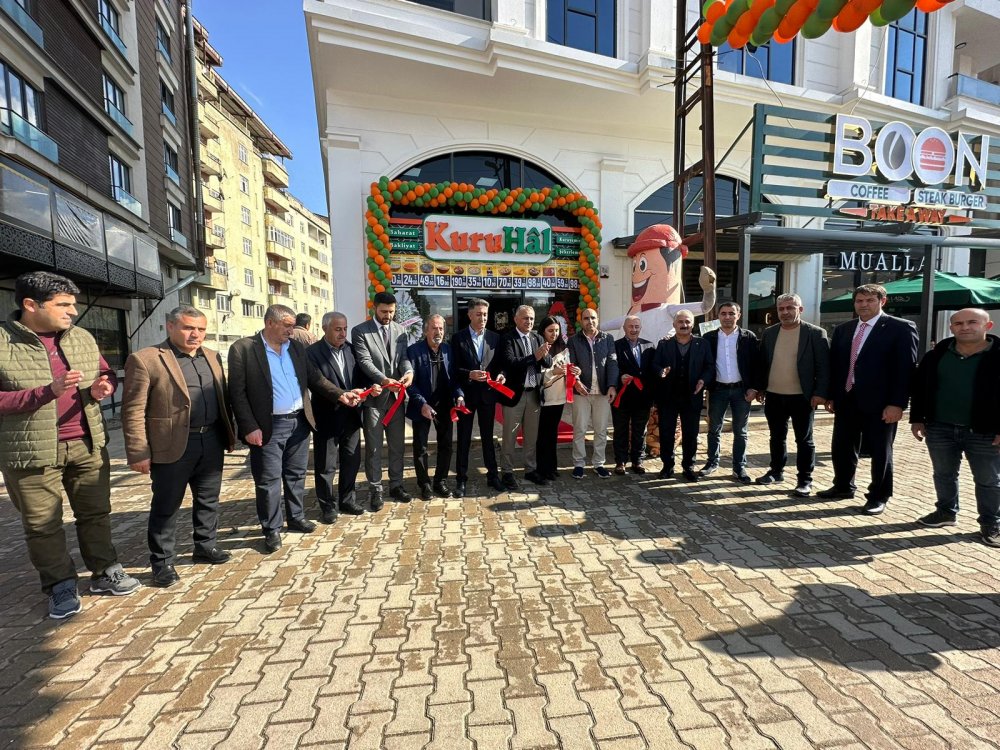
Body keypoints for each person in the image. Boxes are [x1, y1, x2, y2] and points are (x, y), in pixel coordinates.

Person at [0, 271, 138, 619]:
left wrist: (104, 387)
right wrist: (47, 392)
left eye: (73, 304)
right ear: (31, 305)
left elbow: (105, 372)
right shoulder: (2, 342)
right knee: (43, 525)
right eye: (63, 305)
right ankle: (60, 584)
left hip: (87, 443)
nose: (72, 312)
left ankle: (105, 571)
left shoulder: (81, 337)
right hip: (30, 451)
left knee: (96, 513)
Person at [122, 306, 237, 587]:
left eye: (201, 329)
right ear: (170, 326)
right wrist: (138, 451)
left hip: (211, 439)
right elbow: (133, 410)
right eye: (188, 328)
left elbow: (222, 397)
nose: (195, 334)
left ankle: (205, 546)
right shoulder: (146, 359)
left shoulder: (212, 356)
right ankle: (162, 563)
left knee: (208, 499)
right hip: (171, 445)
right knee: (167, 505)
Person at [229, 304, 356, 553]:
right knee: (268, 480)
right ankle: (272, 529)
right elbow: (237, 393)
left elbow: (315, 379)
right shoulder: (244, 349)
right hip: (268, 426)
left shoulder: (296, 348)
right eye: (287, 325)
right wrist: (249, 427)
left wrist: (340, 394)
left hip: (299, 422)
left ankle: (296, 517)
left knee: (296, 474)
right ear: (270, 323)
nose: (291, 330)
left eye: (293, 325)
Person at [819, 284, 919, 515]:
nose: (863, 305)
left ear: (882, 301)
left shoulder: (900, 328)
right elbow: (837, 365)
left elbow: (905, 369)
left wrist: (897, 403)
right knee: (842, 445)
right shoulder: (844, 329)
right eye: (859, 301)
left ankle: (878, 496)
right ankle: (843, 486)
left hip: (881, 403)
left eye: (869, 300)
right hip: (847, 398)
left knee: (880, 451)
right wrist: (832, 395)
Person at [910, 308, 1000, 547]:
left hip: (984, 431)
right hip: (940, 427)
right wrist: (917, 418)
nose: (965, 327)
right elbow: (920, 388)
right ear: (951, 328)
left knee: (989, 480)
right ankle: (946, 512)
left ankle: (991, 523)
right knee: (943, 474)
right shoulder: (936, 355)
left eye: (972, 322)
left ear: (987, 326)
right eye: (958, 323)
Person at [754, 293, 829, 497]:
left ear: (800, 309)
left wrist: (820, 393)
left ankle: (805, 480)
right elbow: (763, 363)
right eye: (781, 309)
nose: (785, 312)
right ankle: (776, 471)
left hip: (802, 397)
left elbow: (824, 367)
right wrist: (760, 388)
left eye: (790, 308)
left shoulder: (815, 333)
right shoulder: (770, 333)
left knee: (804, 440)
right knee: (776, 437)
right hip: (774, 396)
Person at [307, 312, 375, 521]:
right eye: (338, 329)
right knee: (326, 465)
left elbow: (362, 375)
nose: (343, 333)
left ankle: (347, 500)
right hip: (326, 416)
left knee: (351, 460)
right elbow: (317, 382)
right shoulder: (312, 352)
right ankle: (328, 506)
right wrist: (342, 395)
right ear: (324, 328)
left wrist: (365, 389)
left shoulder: (352, 350)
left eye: (345, 329)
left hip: (352, 416)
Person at [352, 291, 414, 509]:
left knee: (397, 446)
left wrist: (409, 372)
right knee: (374, 448)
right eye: (384, 311)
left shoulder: (401, 331)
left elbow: (403, 358)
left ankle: (396, 485)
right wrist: (384, 379)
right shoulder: (360, 331)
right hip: (375, 399)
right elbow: (364, 361)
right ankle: (375, 489)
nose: (388, 316)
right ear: (374, 309)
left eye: (391, 312)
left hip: (396, 400)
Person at [450, 298, 506, 497]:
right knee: (464, 438)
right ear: (469, 315)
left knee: (488, 438)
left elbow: (501, 364)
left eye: (485, 314)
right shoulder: (458, 338)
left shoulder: (495, 338)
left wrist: (502, 375)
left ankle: (493, 476)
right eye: (479, 314)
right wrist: (469, 374)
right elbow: (453, 369)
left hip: (487, 396)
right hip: (466, 397)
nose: (483, 318)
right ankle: (461, 479)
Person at [652, 309, 714, 482]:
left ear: (692, 324)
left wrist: (703, 380)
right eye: (680, 322)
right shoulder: (664, 344)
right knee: (666, 433)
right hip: (668, 397)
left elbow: (709, 366)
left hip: (692, 396)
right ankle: (667, 466)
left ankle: (688, 467)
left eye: (687, 322)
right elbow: (655, 364)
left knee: (691, 434)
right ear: (674, 324)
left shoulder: (702, 344)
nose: (684, 325)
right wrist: (660, 371)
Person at [701, 301, 759, 483]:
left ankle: (739, 466)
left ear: (738, 315)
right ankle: (712, 462)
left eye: (731, 313)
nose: (727, 317)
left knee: (740, 431)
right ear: (718, 316)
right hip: (717, 390)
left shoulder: (748, 337)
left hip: (741, 391)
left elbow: (757, 364)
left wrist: (754, 388)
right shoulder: (708, 338)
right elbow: (704, 363)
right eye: (723, 313)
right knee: (714, 429)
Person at [407, 314, 463, 500]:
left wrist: (459, 395)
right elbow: (410, 384)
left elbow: (454, 378)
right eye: (434, 328)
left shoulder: (448, 350)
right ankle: (424, 484)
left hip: (444, 404)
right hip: (421, 404)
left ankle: (440, 481)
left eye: (441, 328)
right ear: (426, 331)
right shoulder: (414, 351)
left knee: (446, 445)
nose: (438, 332)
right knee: (421, 447)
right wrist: (422, 404)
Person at [498, 305, 552, 489]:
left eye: (531, 318)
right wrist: (534, 357)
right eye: (525, 318)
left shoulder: (537, 338)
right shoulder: (508, 339)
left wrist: (543, 355)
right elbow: (510, 363)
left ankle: (530, 469)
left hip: (534, 394)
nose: (529, 321)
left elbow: (547, 362)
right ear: (516, 319)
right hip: (515, 395)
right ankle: (507, 472)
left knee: (531, 436)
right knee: (510, 436)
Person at [567, 308, 618, 478]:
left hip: (602, 391)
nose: (590, 321)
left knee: (601, 430)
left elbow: (612, 363)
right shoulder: (573, 341)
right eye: (586, 318)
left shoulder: (608, 339)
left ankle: (599, 463)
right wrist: (576, 382)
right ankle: (578, 464)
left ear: (598, 319)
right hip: (581, 392)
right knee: (580, 429)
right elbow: (571, 364)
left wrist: (612, 385)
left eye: (593, 318)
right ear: (581, 321)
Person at [612, 315, 655, 475]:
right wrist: (619, 377)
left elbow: (653, 371)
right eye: (630, 326)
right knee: (620, 430)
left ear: (640, 328)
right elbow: (611, 368)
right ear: (624, 328)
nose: (634, 329)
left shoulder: (649, 346)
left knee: (640, 431)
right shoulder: (615, 346)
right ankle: (620, 461)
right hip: (622, 396)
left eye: (637, 326)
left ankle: (637, 461)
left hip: (643, 397)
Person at [536, 316, 569, 482]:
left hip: (559, 398)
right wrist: (552, 373)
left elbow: (568, 368)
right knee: (543, 434)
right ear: (543, 331)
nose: (554, 334)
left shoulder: (564, 348)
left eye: (556, 330)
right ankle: (542, 468)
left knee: (552, 434)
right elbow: (536, 376)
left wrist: (574, 372)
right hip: (543, 399)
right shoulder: (538, 348)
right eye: (550, 330)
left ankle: (552, 467)